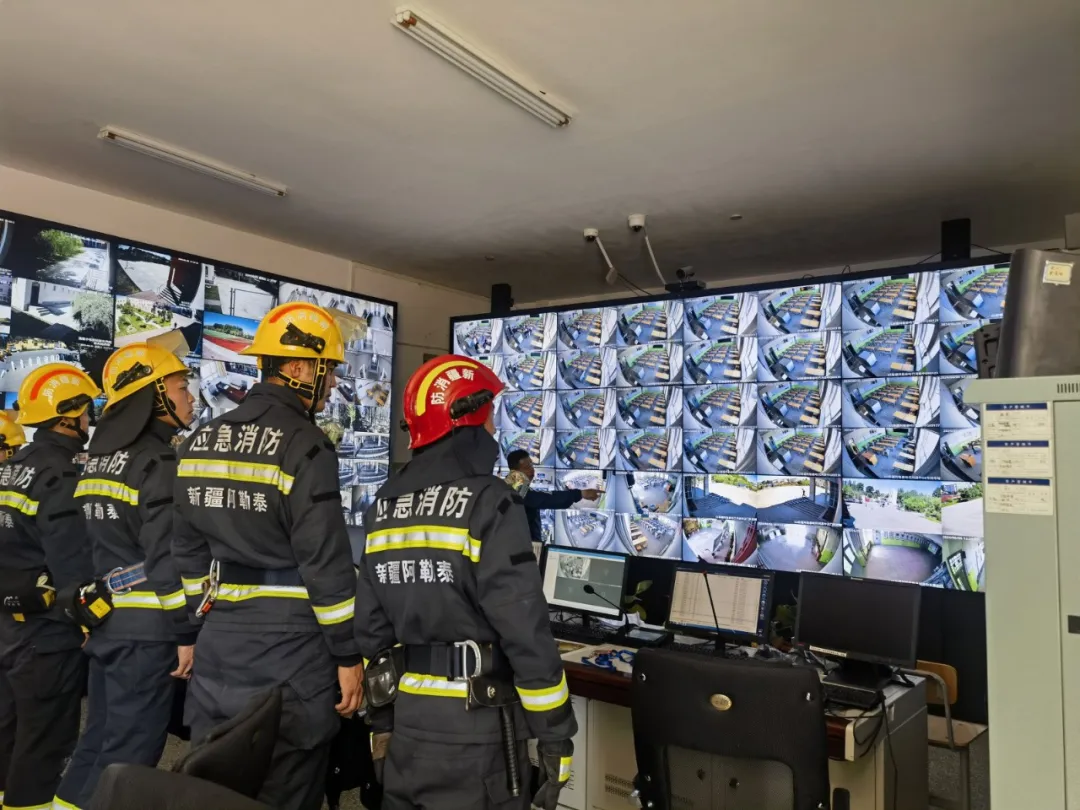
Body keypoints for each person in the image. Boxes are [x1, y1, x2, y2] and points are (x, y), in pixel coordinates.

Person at [355, 354, 577, 810]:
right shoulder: (490, 501)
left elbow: (371, 629)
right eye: (491, 417)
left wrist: (382, 725)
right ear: (469, 421)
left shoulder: (384, 506)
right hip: (478, 729)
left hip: (407, 722)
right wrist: (554, 735)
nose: (494, 431)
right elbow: (524, 629)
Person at [172, 302, 364, 810]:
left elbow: (185, 548)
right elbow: (325, 564)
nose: (332, 384)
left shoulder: (199, 441)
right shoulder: (306, 445)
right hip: (292, 652)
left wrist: (194, 626)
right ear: (298, 367)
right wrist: (348, 656)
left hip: (219, 643)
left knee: (214, 787)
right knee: (286, 787)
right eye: (327, 371)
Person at [54, 337, 200, 810]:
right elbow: (166, 558)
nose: (190, 397)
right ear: (154, 396)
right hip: (148, 631)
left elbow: (77, 549)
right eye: (181, 387)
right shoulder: (158, 462)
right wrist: (186, 631)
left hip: (105, 622)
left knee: (97, 741)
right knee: (131, 758)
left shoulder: (98, 462)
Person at [0, 364, 98, 810]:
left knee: (8, 730)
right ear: (67, 416)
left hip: (9, 624)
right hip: (48, 634)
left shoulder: (12, 468)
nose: (89, 419)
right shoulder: (61, 474)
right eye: (86, 411)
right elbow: (71, 561)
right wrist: (86, 621)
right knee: (44, 743)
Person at [504, 449, 600, 543]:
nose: (532, 470)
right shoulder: (514, 492)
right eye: (526, 467)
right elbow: (545, 498)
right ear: (514, 473)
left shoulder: (507, 488)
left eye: (531, 465)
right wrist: (580, 494)